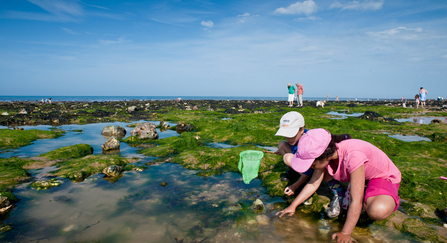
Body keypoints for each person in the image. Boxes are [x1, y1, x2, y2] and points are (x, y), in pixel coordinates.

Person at [277, 129, 401, 243]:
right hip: (358, 173)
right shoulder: (326, 155)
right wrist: (292, 206)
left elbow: (355, 200)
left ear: (324, 156)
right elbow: (313, 183)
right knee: (323, 170)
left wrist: (345, 232)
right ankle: (341, 190)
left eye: (312, 165)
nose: (311, 167)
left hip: (381, 176)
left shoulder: (353, 155)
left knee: (378, 210)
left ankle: (370, 193)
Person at [275, 114, 345, 212]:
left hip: (314, 167)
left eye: (291, 135)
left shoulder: (309, 143)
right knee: (282, 145)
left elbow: (309, 169)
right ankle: (294, 171)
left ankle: (334, 189)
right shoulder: (298, 139)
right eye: (286, 135)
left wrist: (295, 185)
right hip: (306, 164)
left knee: (287, 158)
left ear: (302, 129)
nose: (288, 138)